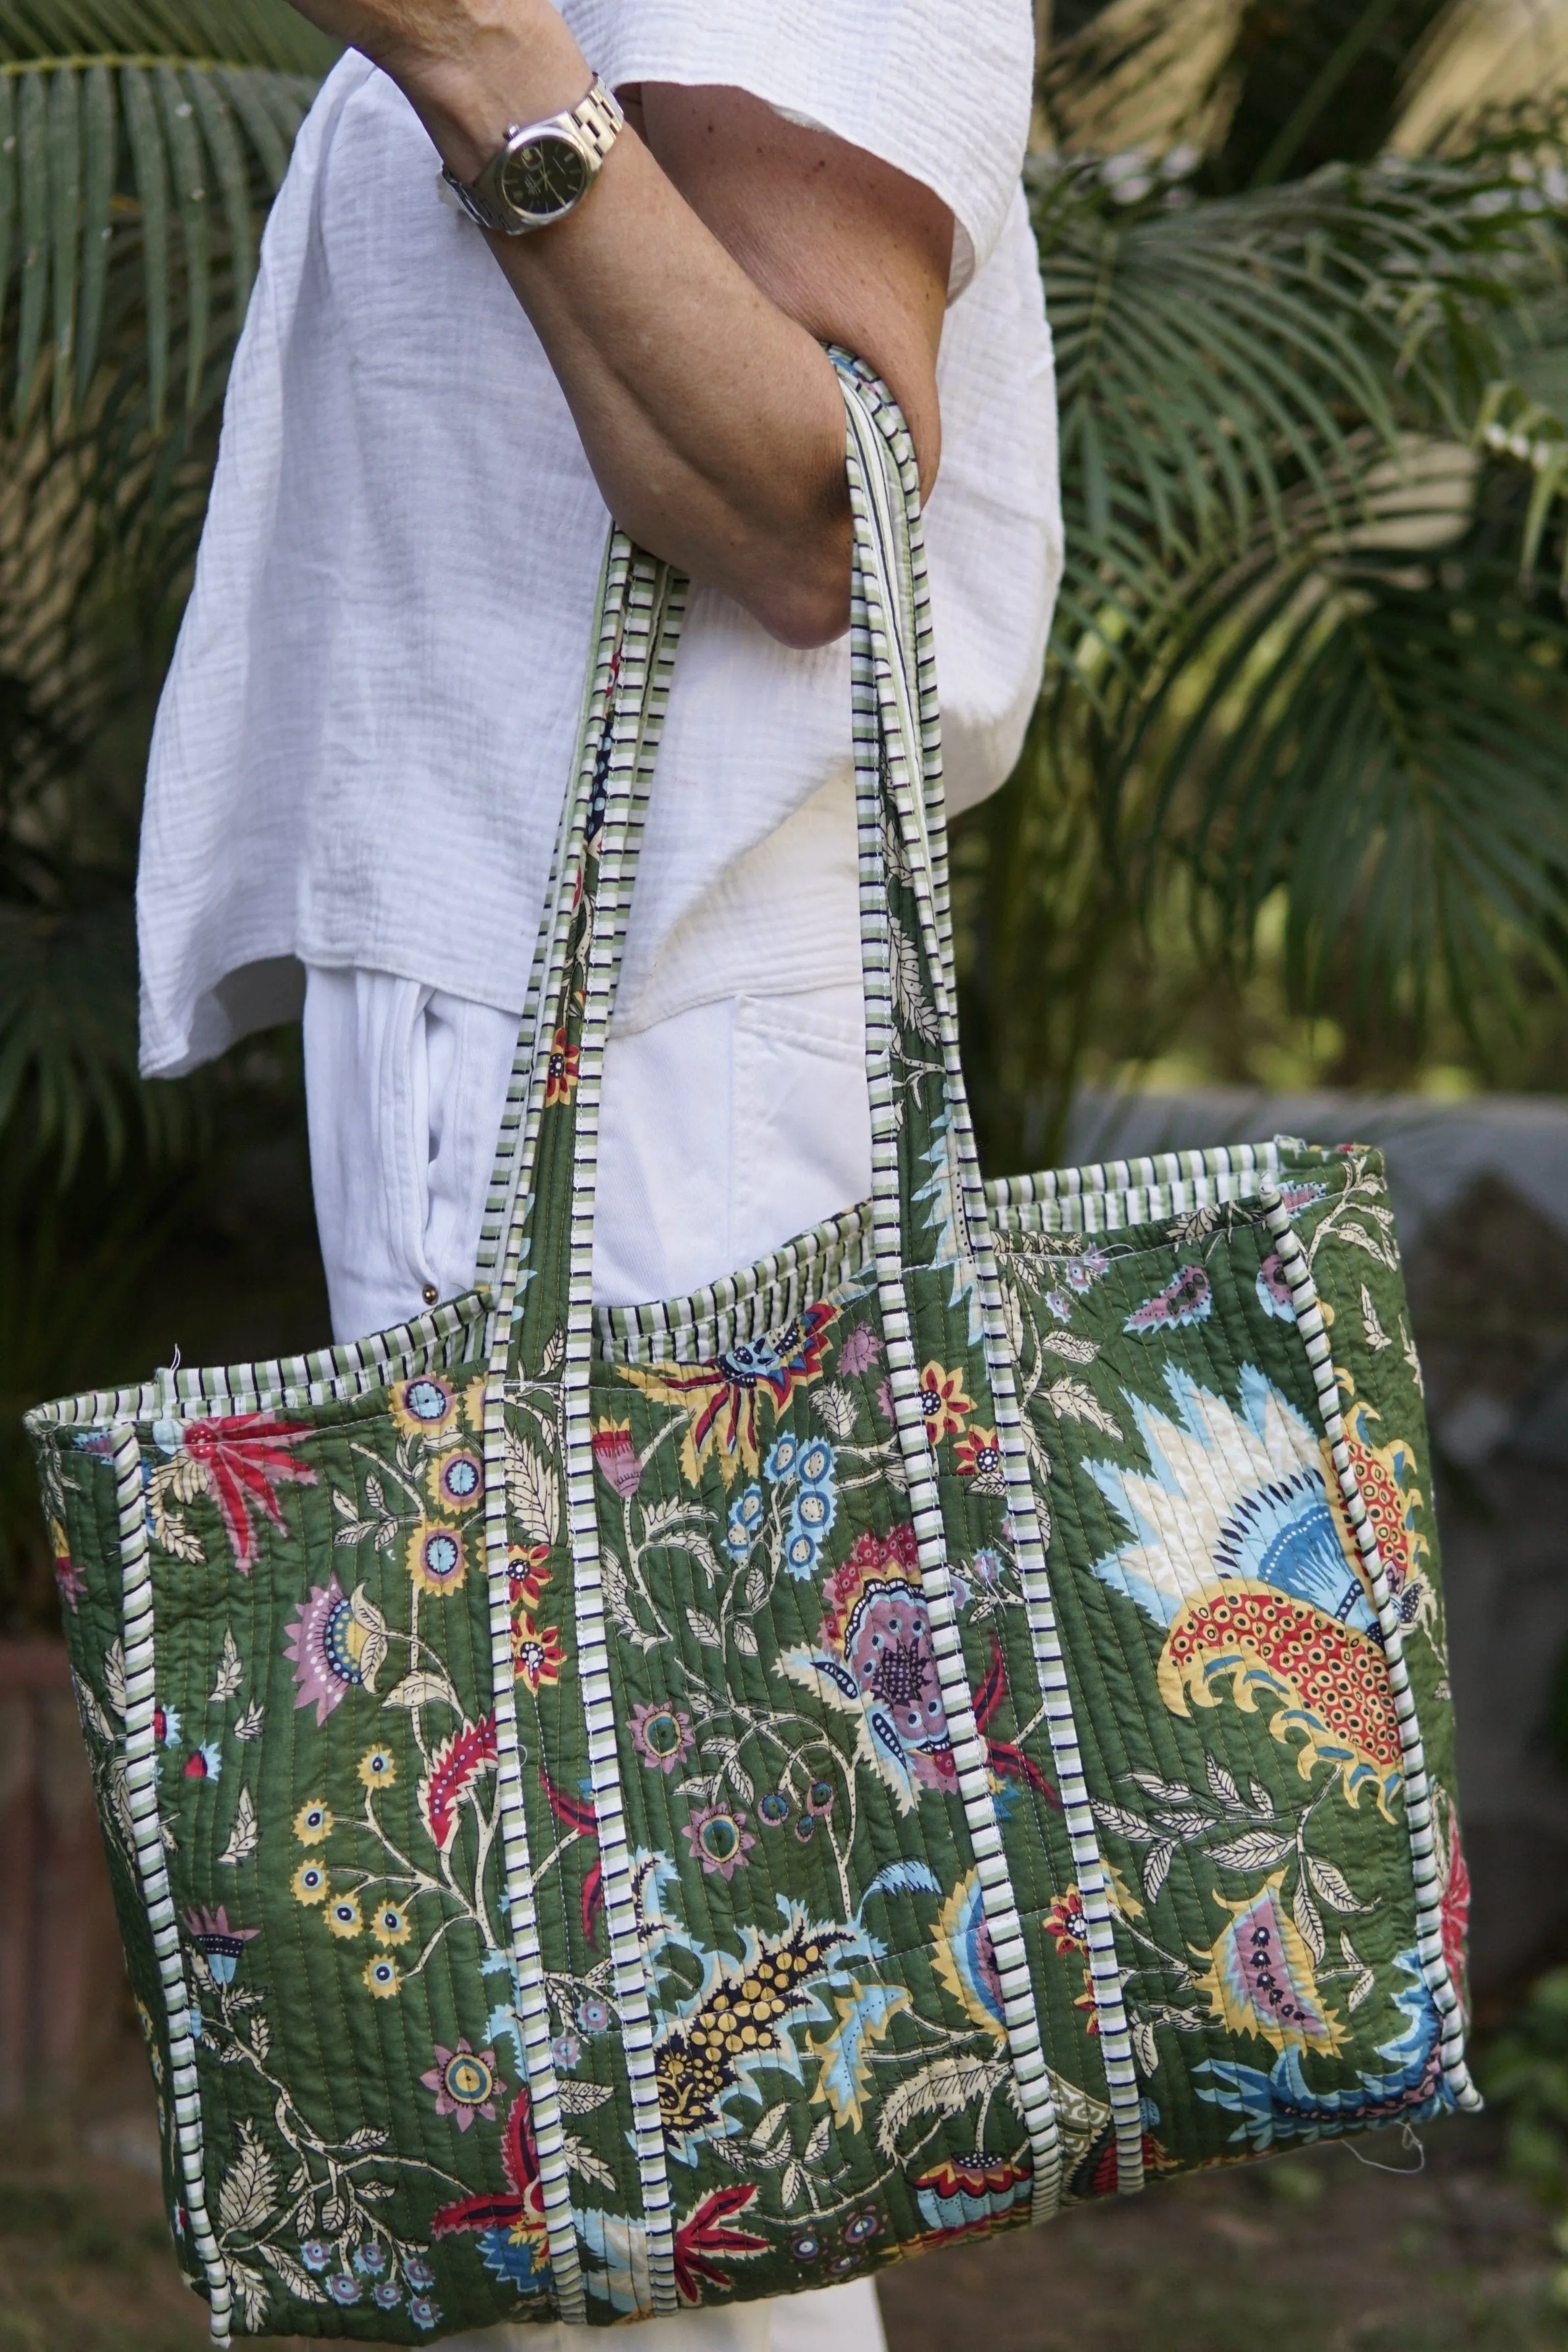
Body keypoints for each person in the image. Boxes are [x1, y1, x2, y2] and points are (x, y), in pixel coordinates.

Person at [136, 1, 1062, 2343]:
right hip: (541, 1000)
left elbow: (807, 512)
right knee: (609, 2131)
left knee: (666, 2135)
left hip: (657, 1035)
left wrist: (468, 53)